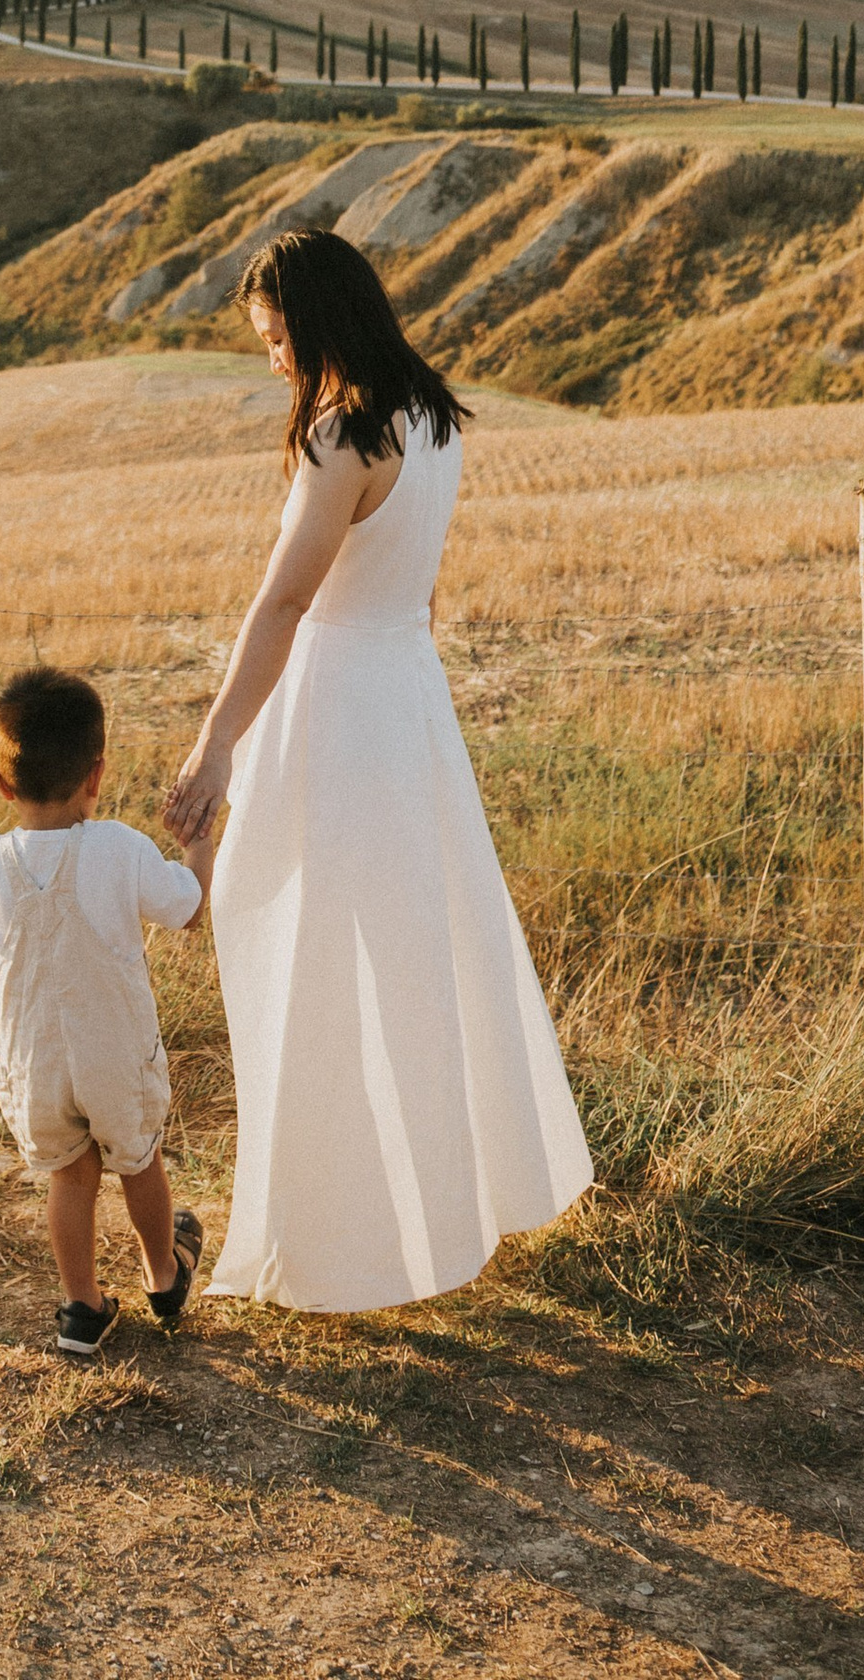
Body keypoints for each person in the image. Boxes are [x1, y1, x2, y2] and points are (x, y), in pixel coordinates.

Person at [163, 226, 592, 1311]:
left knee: (303, 956)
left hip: (336, 708)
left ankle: (333, 1239)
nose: (270, 360)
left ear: (314, 326)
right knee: (419, 956)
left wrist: (213, 748)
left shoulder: (343, 436)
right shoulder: (430, 413)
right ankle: (436, 1208)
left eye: (274, 340)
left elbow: (284, 601)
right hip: (407, 696)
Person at [0, 666, 212, 1360]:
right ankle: (163, 1273)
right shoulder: (118, 848)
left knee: (70, 1174)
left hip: (34, 1062)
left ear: (3, 784)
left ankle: (82, 1309)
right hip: (116, 1055)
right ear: (96, 774)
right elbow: (191, 908)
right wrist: (198, 842)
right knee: (139, 1161)